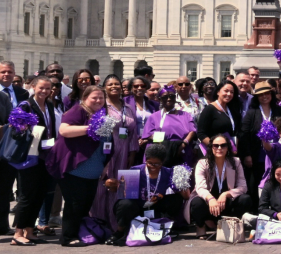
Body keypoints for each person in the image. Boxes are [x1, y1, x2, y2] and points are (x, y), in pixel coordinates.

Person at [48, 85, 108, 247]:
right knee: (74, 204)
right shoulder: (78, 111)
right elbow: (64, 130)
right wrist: (90, 128)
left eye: (101, 98)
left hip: (94, 169)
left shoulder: (102, 114)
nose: (98, 100)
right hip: (75, 168)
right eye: (94, 97)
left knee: (84, 204)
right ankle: (68, 237)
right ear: (85, 98)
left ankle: (81, 233)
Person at [108, 143, 190, 245]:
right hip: (137, 207)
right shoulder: (135, 170)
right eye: (150, 163)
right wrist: (116, 186)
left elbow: (186, 196)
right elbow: (122, 195)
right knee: (125, 204)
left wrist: (182, 181)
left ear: (163, 162)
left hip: (155, 207)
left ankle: (164, 226)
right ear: (146, 160)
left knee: (175, 199)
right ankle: (120, 232)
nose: (153, 167)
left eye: (157, 164)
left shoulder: (168, 172)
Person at [10, 76, 57, 245]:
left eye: (47, 88)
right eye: (41, 88)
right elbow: (15, 132)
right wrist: (24, 128)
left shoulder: (50, 105)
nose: (44, 91)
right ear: (33, 87)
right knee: (27, 196)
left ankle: (30, 230)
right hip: (29, 156)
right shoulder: (25, 105)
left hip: (45, 155)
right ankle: (18, 233)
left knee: (40, 194)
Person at [90, 75, 139, 229]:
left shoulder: (128, 108)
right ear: (104, 87)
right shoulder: (101, 107)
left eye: (117, 84)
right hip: (105, 152)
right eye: (110, 84)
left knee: (121, 188)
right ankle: (98, 223)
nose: (114, 86)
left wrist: (132, 153)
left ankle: (118, 224)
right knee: (102, 187)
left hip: (124, 152)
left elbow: (133, 132)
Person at [190, 133, 254, 239]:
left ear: (228, 147)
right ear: (211, 148)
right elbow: (200, 188)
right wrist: (210, 199)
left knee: (245, 199)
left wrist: (226, 194)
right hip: (209, 204)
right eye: (216, 146)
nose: (219, 148)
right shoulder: (202, 163)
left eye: (223, 145)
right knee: (196, 202)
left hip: (226, 205)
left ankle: (228, 223)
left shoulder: (236, 162)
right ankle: (202, 225)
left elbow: (243, 187)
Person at [240, 81, 281, 193]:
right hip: (257, 155)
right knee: (256, 183)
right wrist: (247, 155)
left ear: (271, 94)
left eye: (267, 93)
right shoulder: (252, 113)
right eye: (261, 94)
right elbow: (244, 134)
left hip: (276, 153)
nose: (264, 96)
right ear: (256, 97)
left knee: (277, 183)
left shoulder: (279, 110)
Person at [140, 86, 197, 167]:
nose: (169, 99)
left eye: (171, 96)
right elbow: (148, 134)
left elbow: (192, 131)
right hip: (160, 151)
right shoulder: (154, 116)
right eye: (165, 97)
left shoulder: (185, 115)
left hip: (182, 150)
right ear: (159, 99)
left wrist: (183, 144)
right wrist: (166, 145)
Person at [197, 81, 240, 154]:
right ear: (218, 92)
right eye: (226, 91)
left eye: (231, 92)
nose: (229, 94)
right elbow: (201, 133)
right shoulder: (209, 109)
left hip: (230, 152)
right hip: (214, 152)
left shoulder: (233, 110)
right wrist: (216, 147)